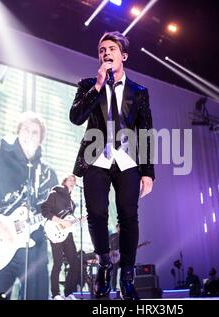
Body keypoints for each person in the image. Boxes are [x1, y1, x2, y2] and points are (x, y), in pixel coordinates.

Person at [69, 31, 155, 300]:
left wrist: (148, 172)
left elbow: (145, 131)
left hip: (128, 160)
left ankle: (127, 276)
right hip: (96, 156)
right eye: (101, 50)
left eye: (111, 49)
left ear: (123, 55)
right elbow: (76, 117)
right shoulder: (87, 85)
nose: (105, 53)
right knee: (96, 213)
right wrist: (98, 85)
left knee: (128, 217)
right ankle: (105, 264)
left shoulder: (139, 92)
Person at [0, 111, 58, 300]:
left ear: (41, 139)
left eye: (34, 132)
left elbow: (52, 211)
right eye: (25, 130)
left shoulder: (47, 173)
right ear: (17, 132)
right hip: (0, 245)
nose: (29, 135)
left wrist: (60, 222)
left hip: (35, 248)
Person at [41, 175, 81, 300]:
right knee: (57, 263)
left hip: (67, 235)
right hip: (55, 232)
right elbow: (44, 210)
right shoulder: (55, 194)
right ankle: (55, 294)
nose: (72, 182)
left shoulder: (72, 203)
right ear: (64, 182)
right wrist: (61, 222)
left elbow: (69, 221)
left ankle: (69, 292)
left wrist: (78, 220)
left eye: (74, 180)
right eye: (70, 179)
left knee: (75, 263)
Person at [108, 224, 120, 292]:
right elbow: (108, 245)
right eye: (119, 227)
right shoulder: (112, 236)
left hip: (121, 256)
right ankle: (113, 288)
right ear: (117, 227)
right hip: (114, 257)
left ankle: (123, 287)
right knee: (114, 272)